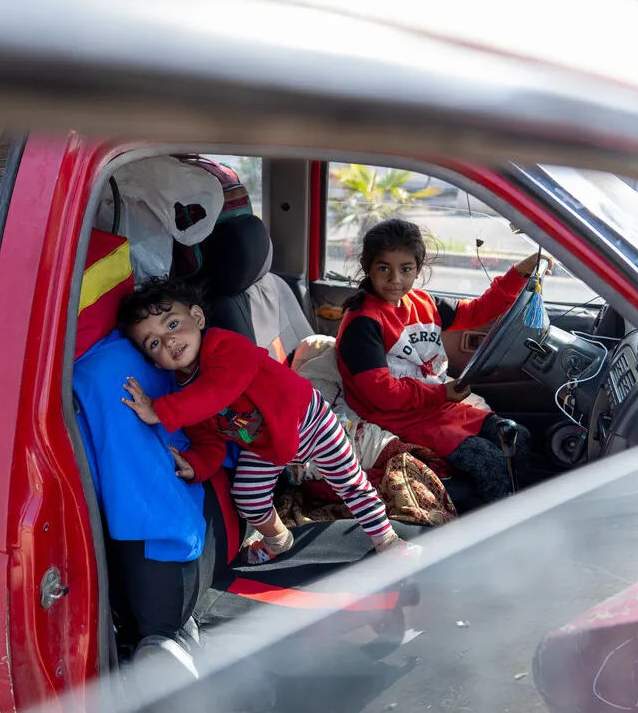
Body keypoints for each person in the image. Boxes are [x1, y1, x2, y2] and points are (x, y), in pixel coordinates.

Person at [116, 277, 415, 559]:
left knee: (350, 483)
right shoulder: (184, 393)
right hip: (266, 446)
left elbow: (216, 391)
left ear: (197, 318)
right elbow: (208, 440)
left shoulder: (226, 348)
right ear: (152, 361)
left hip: (310, 421)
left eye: (172, 324)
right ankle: (278, 538)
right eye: (153, 343)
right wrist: (196, 464)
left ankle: (385, 540)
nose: (168, 341)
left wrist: (160, 410)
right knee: (246, 496)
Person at [335, 218, 547, 503]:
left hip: (436, 407)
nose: (395, 279)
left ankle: (516, 507)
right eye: (384, 268)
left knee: (517, 437)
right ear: (366, 266)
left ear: (418, 269)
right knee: (490, 462)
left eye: (405, 269)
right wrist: (441, 392)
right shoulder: (363, 323)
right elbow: (382, 394)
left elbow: (477, 312)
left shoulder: (423, 303)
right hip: (400, 418)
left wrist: (521, 272)